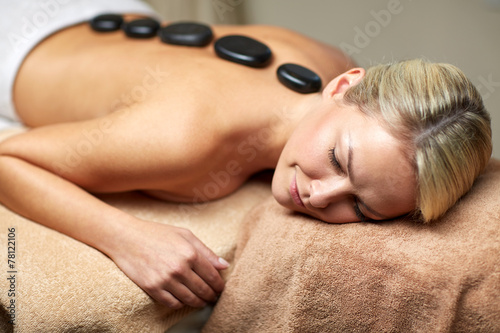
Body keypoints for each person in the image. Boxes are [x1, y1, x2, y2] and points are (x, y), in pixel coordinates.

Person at [0, 0, 492, 310]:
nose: (321, 196)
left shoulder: (333, 67)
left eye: (360, 207)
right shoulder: (184, 140)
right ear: (345, 85)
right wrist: (126, 237)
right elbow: (9, 160)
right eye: (340, 161)